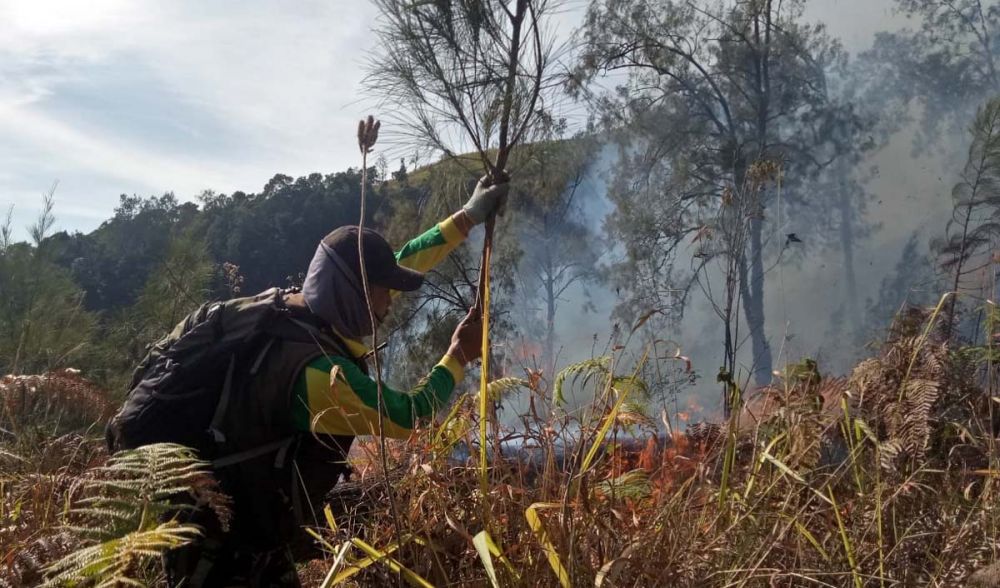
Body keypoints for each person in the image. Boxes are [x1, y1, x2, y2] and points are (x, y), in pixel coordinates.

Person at [159, 176, 509, 587]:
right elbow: (406, 416)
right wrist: (457, 357)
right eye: (383, 293)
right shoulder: (316, 374)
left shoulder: (303, 311)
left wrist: (469, 215)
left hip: (249, 539)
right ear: (355, 294)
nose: (389, 303)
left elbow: (405, 259)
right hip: (224, 559)